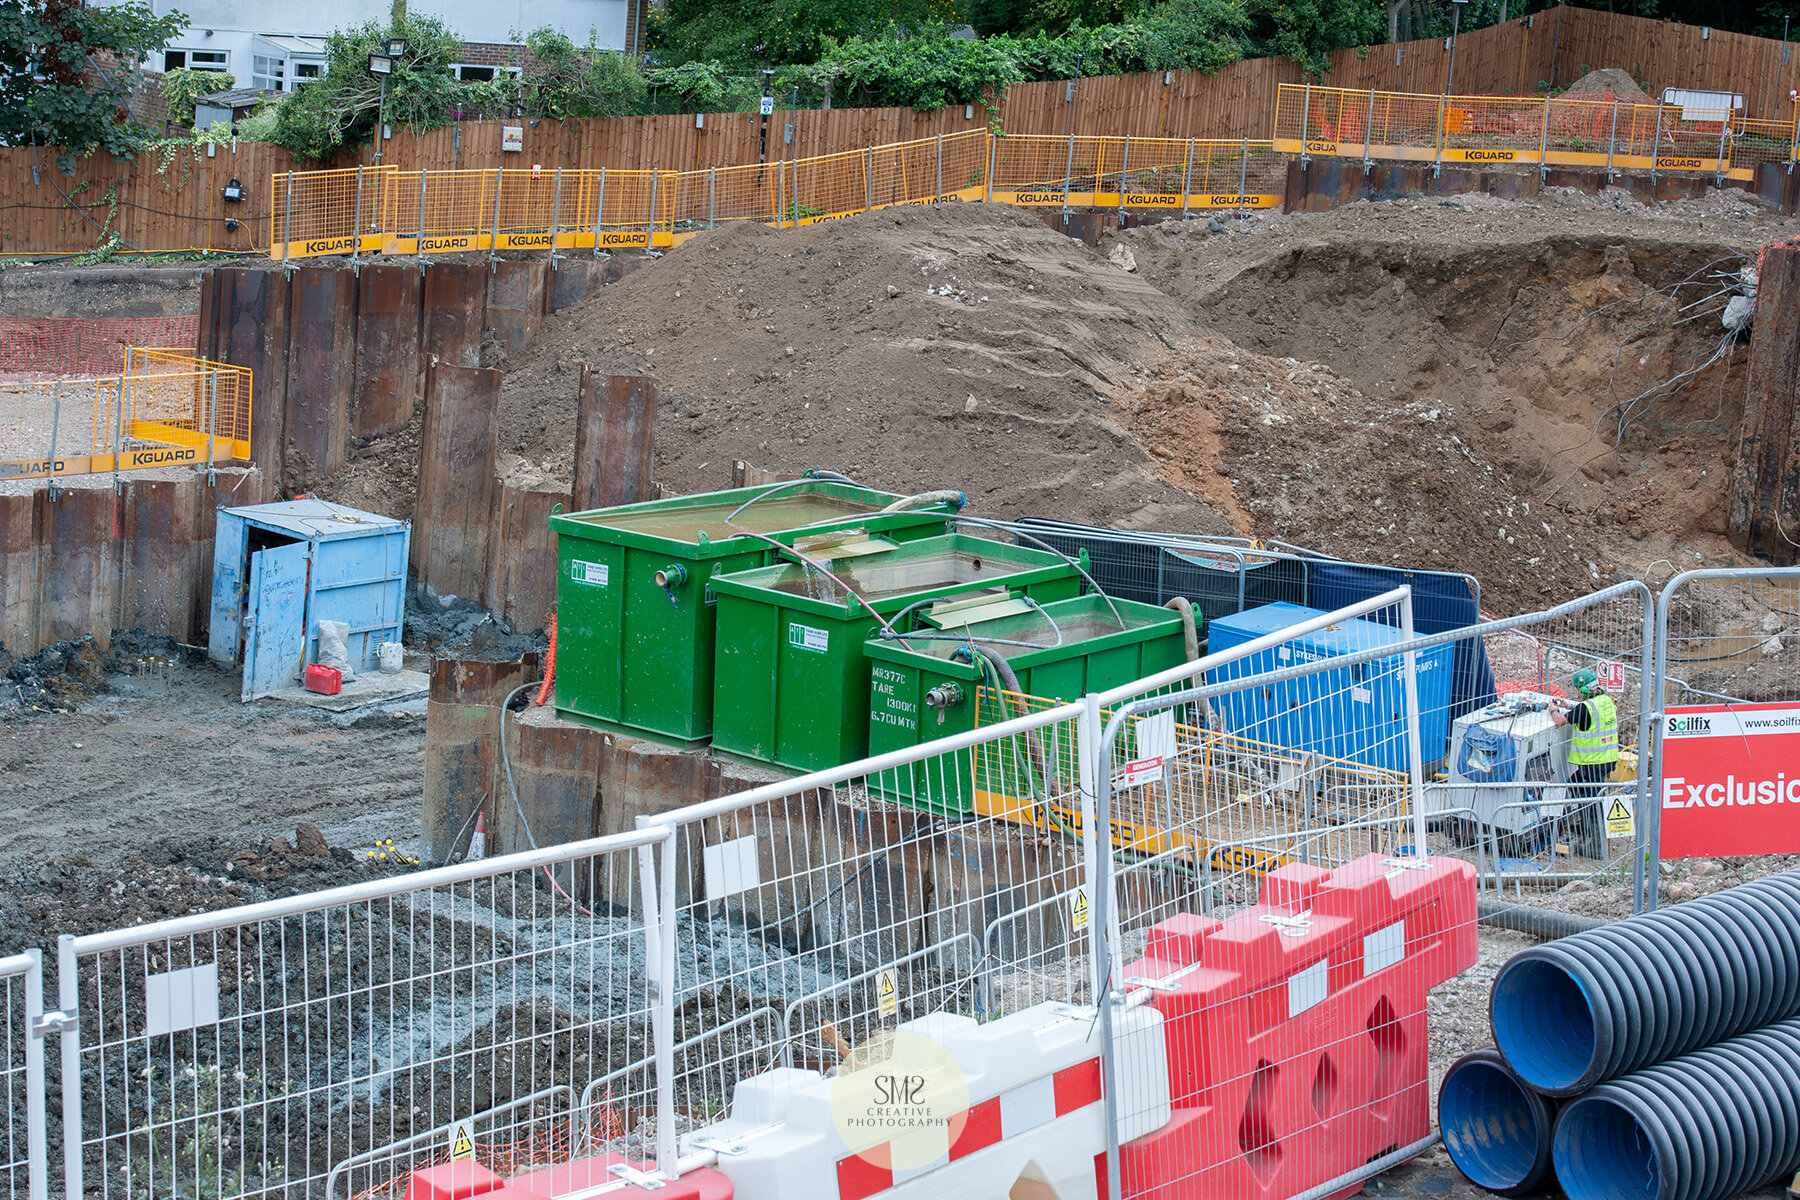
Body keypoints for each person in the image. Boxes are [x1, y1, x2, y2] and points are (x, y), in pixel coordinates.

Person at [1553, 668, 1618, 857]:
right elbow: (1585, 709)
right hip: (1607, 759)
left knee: (1590, 801)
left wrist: (1554, 710)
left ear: (1583, 689)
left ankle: (1597, 847)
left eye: (1578, 690)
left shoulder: (1584, 709)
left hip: (1592, 762)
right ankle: (1587, 830)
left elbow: (1559, 721)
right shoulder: (1605, 701)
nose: (1577, 693)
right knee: (1577, 785)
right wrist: (1568, 704)